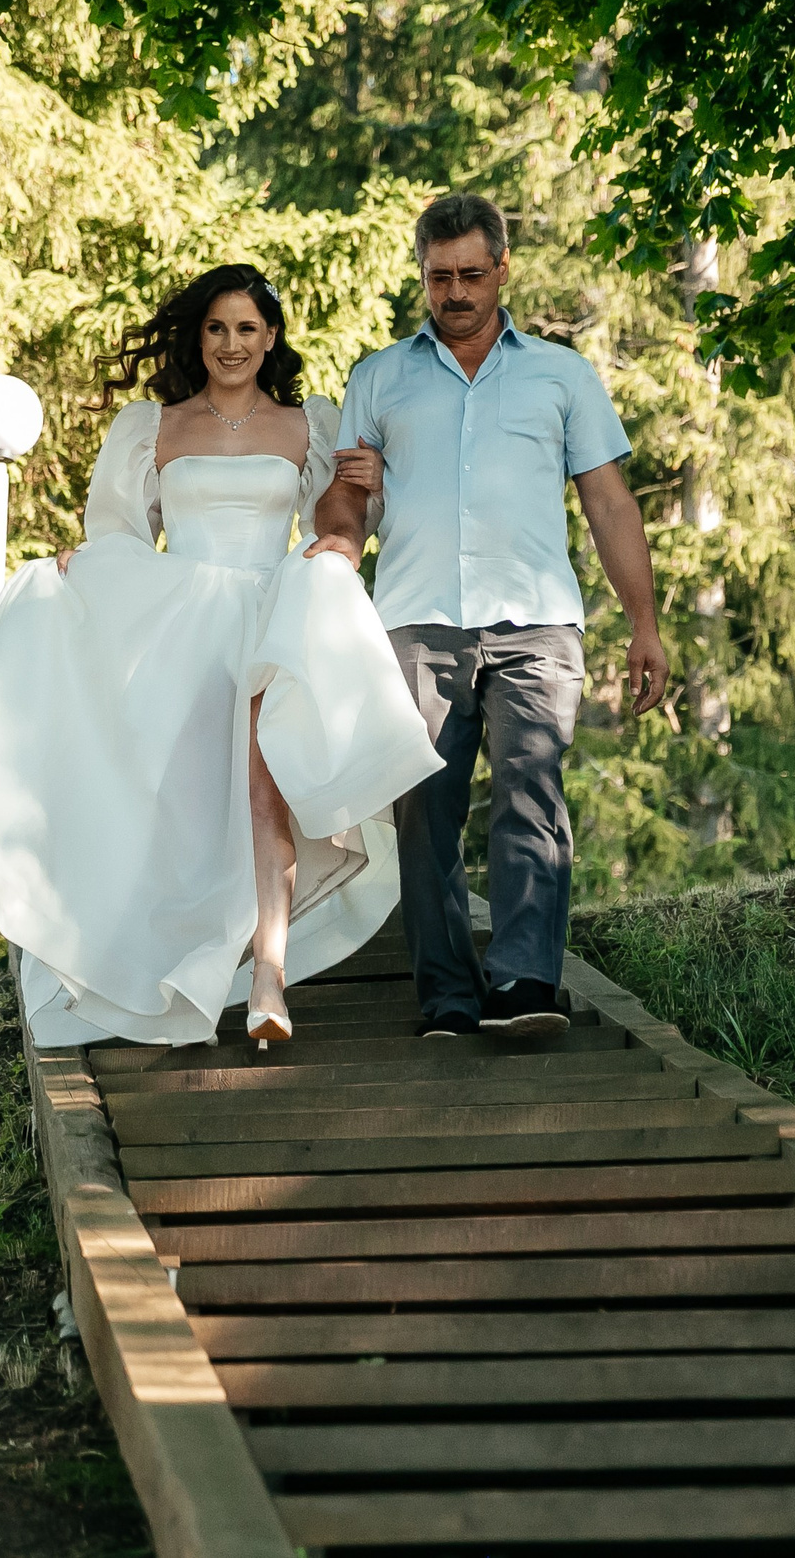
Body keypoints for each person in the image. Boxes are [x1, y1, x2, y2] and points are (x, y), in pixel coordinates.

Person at [0, 265, 442, 1048]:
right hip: (181, 626)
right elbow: (120, 533)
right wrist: (84, 572)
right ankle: (166, 957)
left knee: (265, 797)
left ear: (271, 338)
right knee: (174, 808)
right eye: (217, 329)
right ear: (199, 338)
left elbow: (343, 516)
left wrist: (369, 486)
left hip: (271, 614)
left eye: (248, 329)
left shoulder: (309, 423)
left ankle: (268, 979)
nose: (232, 344)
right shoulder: (154, 426)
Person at [310, 195, 669, 1038]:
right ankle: (448, 995)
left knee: (530, 795)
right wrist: (344, 500)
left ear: (504, 268)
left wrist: (644, 624)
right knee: (424, 815)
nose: (457, 293)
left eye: (473, 274)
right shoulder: (378, 377)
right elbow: (344, 515)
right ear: (423, 277)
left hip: (539, 624)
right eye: (441, 278)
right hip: (414, 623)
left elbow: (612, 507)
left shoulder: (562, 375)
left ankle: (525, 985)